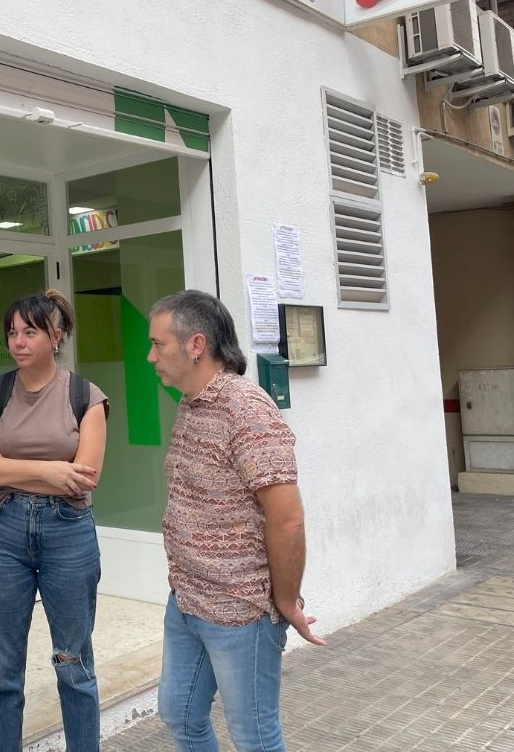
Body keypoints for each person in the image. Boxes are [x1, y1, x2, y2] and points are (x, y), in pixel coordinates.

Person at [146, 290, 324, 752]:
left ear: (196, 345)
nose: (150, 357)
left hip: (240, 612)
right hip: (187, 600)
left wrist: (285, 601)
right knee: (180, 715)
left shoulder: (247, 409)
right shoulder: (192, 403)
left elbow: (287, 519)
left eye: (158, 344)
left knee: (254, 737)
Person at [0, 290, 108, 751]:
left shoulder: (86, 396)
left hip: (68, 531)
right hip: (2, 531)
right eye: (12, 332)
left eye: (29, 332)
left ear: (56, 335)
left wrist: (4, 463)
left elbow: (83, 480)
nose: (17, 341)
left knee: (73, 662)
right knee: (2, 666)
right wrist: (49, 470)